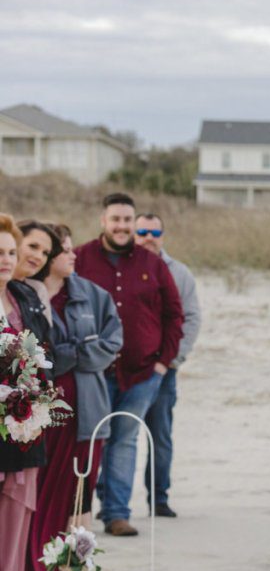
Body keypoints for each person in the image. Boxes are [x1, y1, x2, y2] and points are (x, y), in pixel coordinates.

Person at [22, 225, 123, 571]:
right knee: (40, 489)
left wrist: (70, 354)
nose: (73, 255)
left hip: (87, 407)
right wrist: (74, 351)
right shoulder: (26, 296)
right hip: (44, 413)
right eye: (64, 250)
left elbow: (111, 345)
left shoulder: (93, 296)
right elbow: (39, 355)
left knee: (78, 494)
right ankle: (31, 570)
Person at [74, 193, 183, 537]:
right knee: (91, 440)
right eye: (115, 219)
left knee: (125, 439)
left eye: (127, 220)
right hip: (93, 371)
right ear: (103, 221)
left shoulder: (153, 265)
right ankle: (79, 513)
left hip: (142, 373)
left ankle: (117, 514)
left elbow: (174, 314)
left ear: (133, 224)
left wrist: (163, 363)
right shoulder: (80, 258)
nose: (121, 226)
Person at [0, 214, 52, 571]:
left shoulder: (23, 298)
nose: (5, 260)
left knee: (16, 519)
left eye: (10, 253)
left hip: (23, 427)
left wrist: (37, 405)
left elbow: (42, 357)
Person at [135, 213, 201, 519]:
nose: (149, 236)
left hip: (164, 370)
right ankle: (110, 503)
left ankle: (158, 499)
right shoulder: (122, 269)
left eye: (154, 232)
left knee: (159, 436)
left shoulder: (180, 273)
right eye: (143, 231)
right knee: (116, 437)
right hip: (123, 370)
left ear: (163, 235)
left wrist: (174, 358)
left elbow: (192, 318)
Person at [14, 220, 61, 322]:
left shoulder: (38, 290)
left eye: (45, 253)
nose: (39, 257)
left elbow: (46, 336)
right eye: (33, 246)